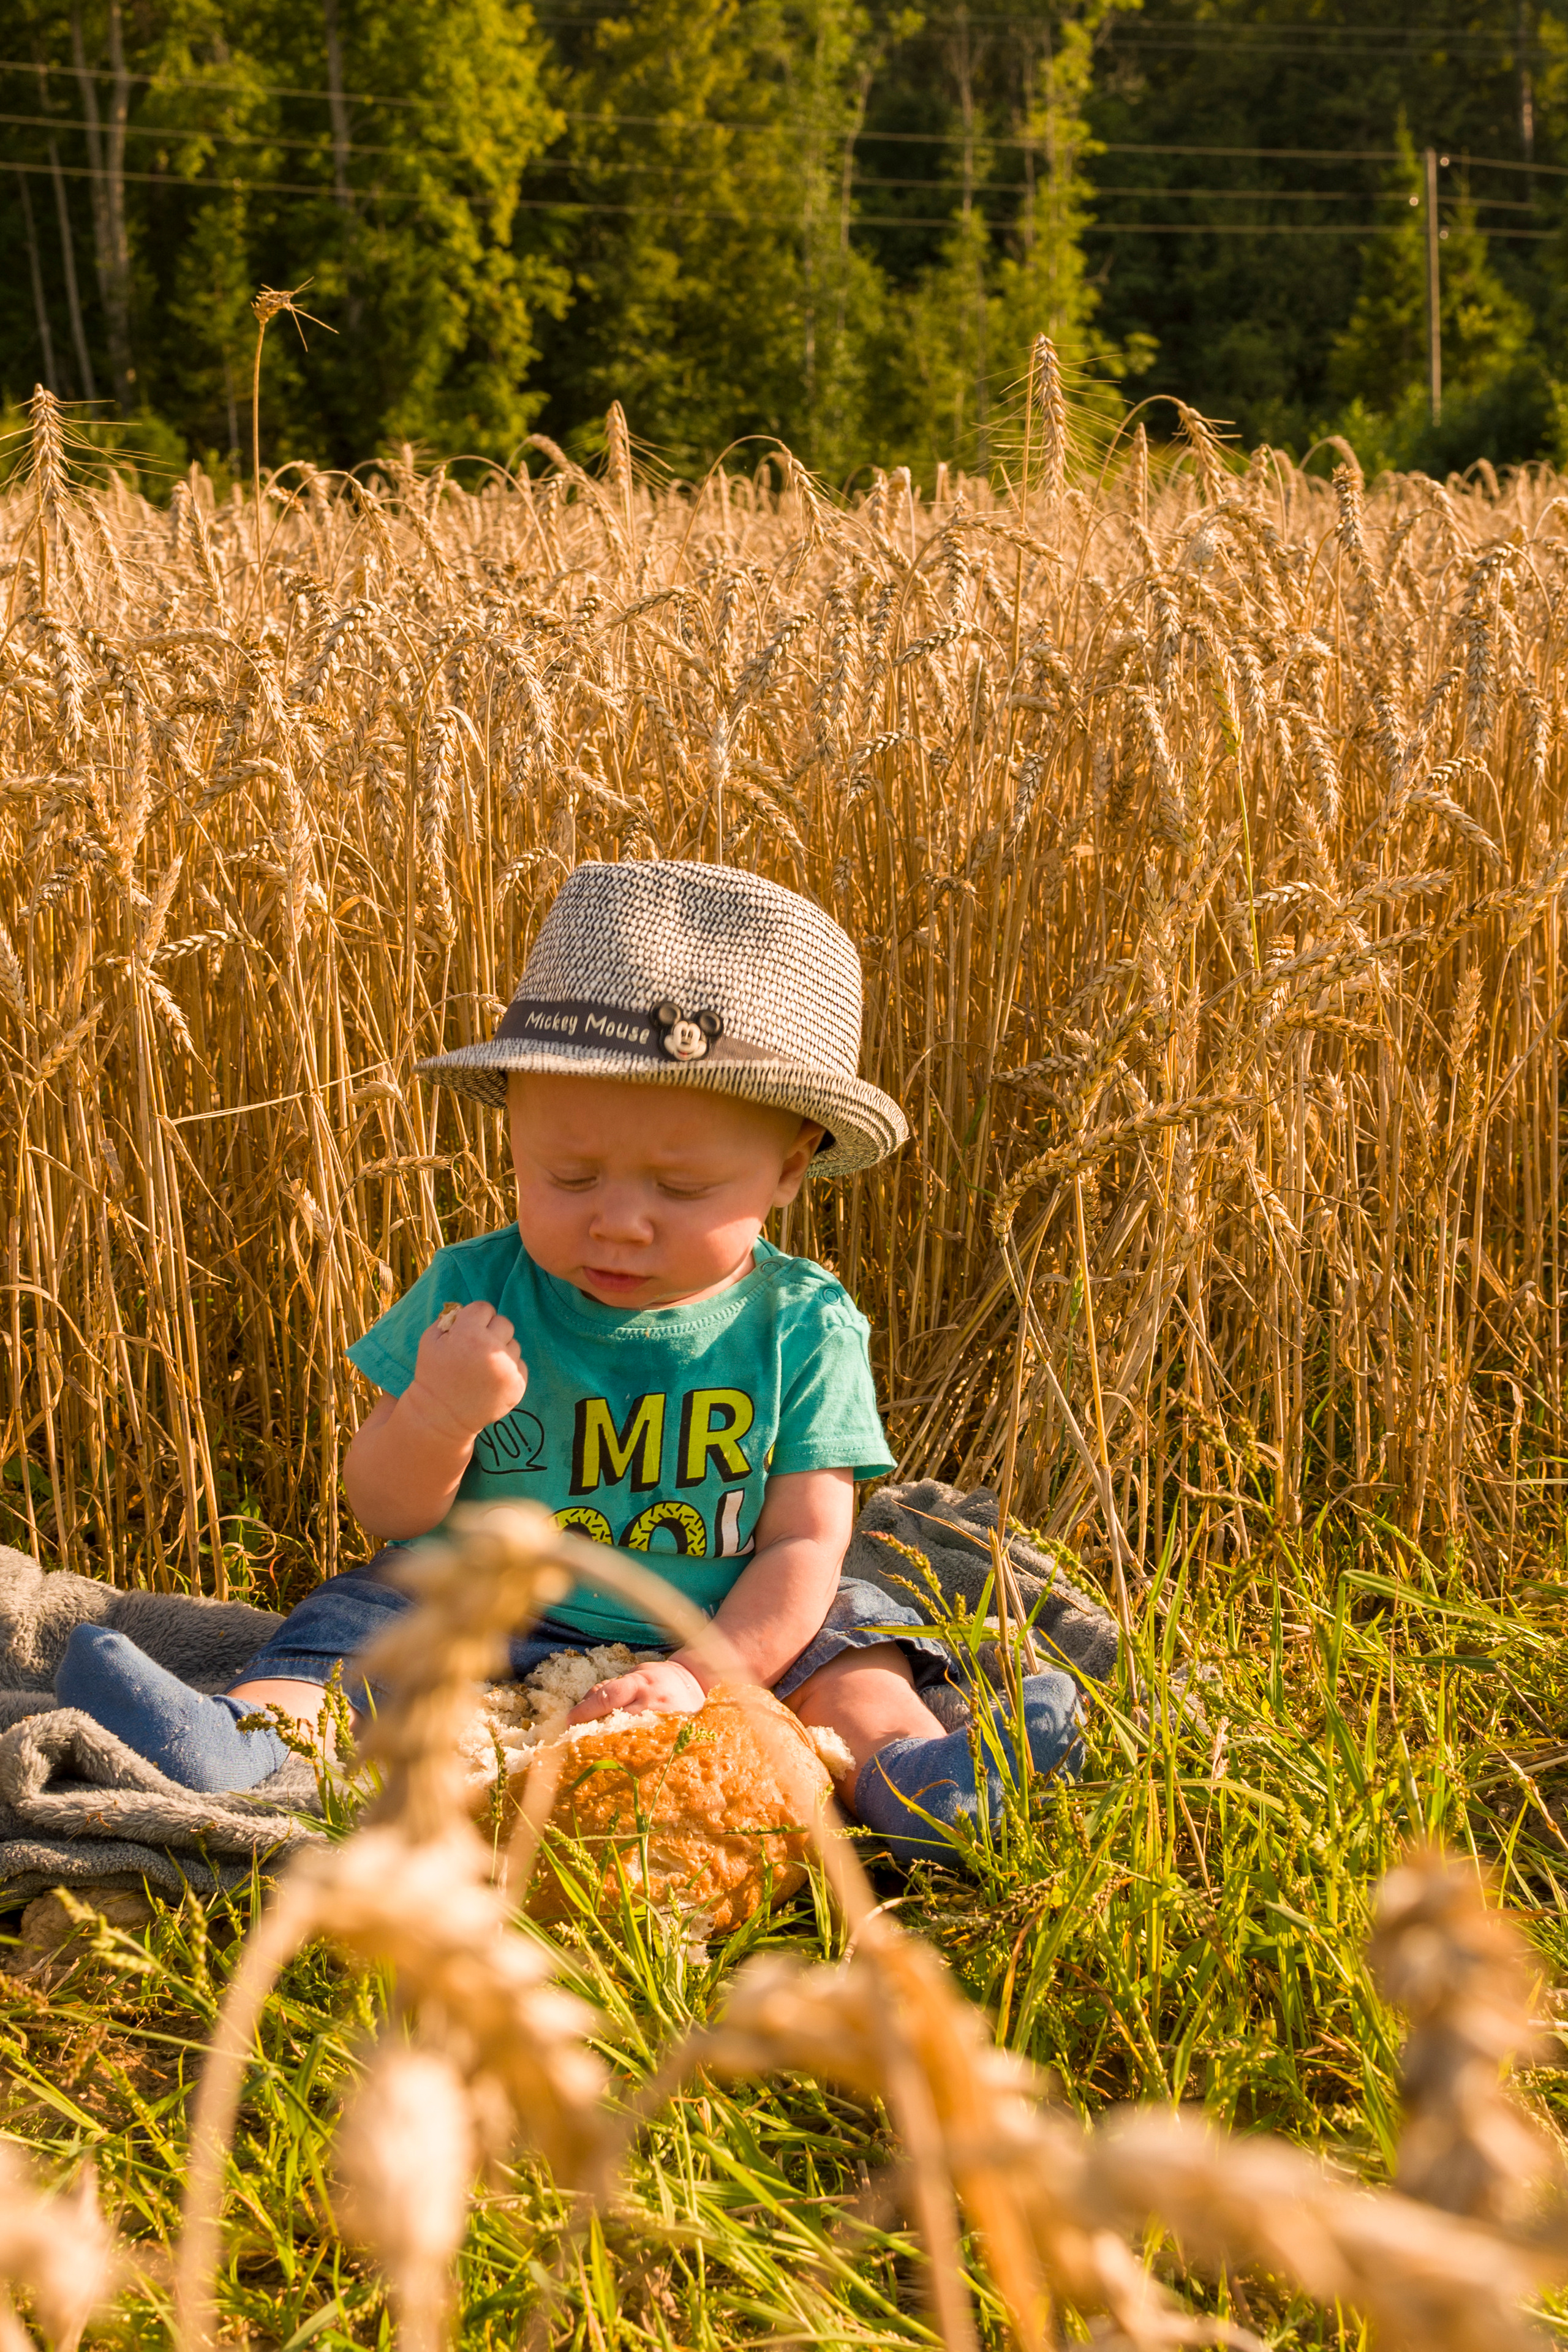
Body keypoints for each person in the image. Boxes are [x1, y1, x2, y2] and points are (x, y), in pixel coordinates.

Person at [55, 861, 1081, 1864]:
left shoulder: (802, 1325)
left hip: (727, 1617)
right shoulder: (477, 1289)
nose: (619, 1223)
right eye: (568, 1174)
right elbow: (387, 1510)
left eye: (679, 1189)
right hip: (486, 1603)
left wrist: (703, 1675)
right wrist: (438, 1417)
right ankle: (239, 1738)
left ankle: (918, 1777)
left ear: (789, 1168)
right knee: (355, 1629)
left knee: (856, 1649)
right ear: (514, 1135)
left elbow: (803, 1547)